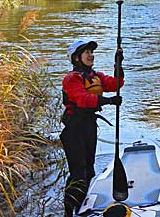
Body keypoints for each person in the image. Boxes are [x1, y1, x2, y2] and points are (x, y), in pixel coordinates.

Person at [61, 39, 124, 217]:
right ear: (76, 58)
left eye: (91, 52)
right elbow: (83, 99)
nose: (91, 55)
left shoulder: (96, 76)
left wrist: (118, 64)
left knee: (89, 170)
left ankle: (81, 207)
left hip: (89, 126)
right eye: (86, 52)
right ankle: (68, 213)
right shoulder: (72, 78)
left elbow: (116, 84)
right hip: (74, 129)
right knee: (78, 173)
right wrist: (109, 101)